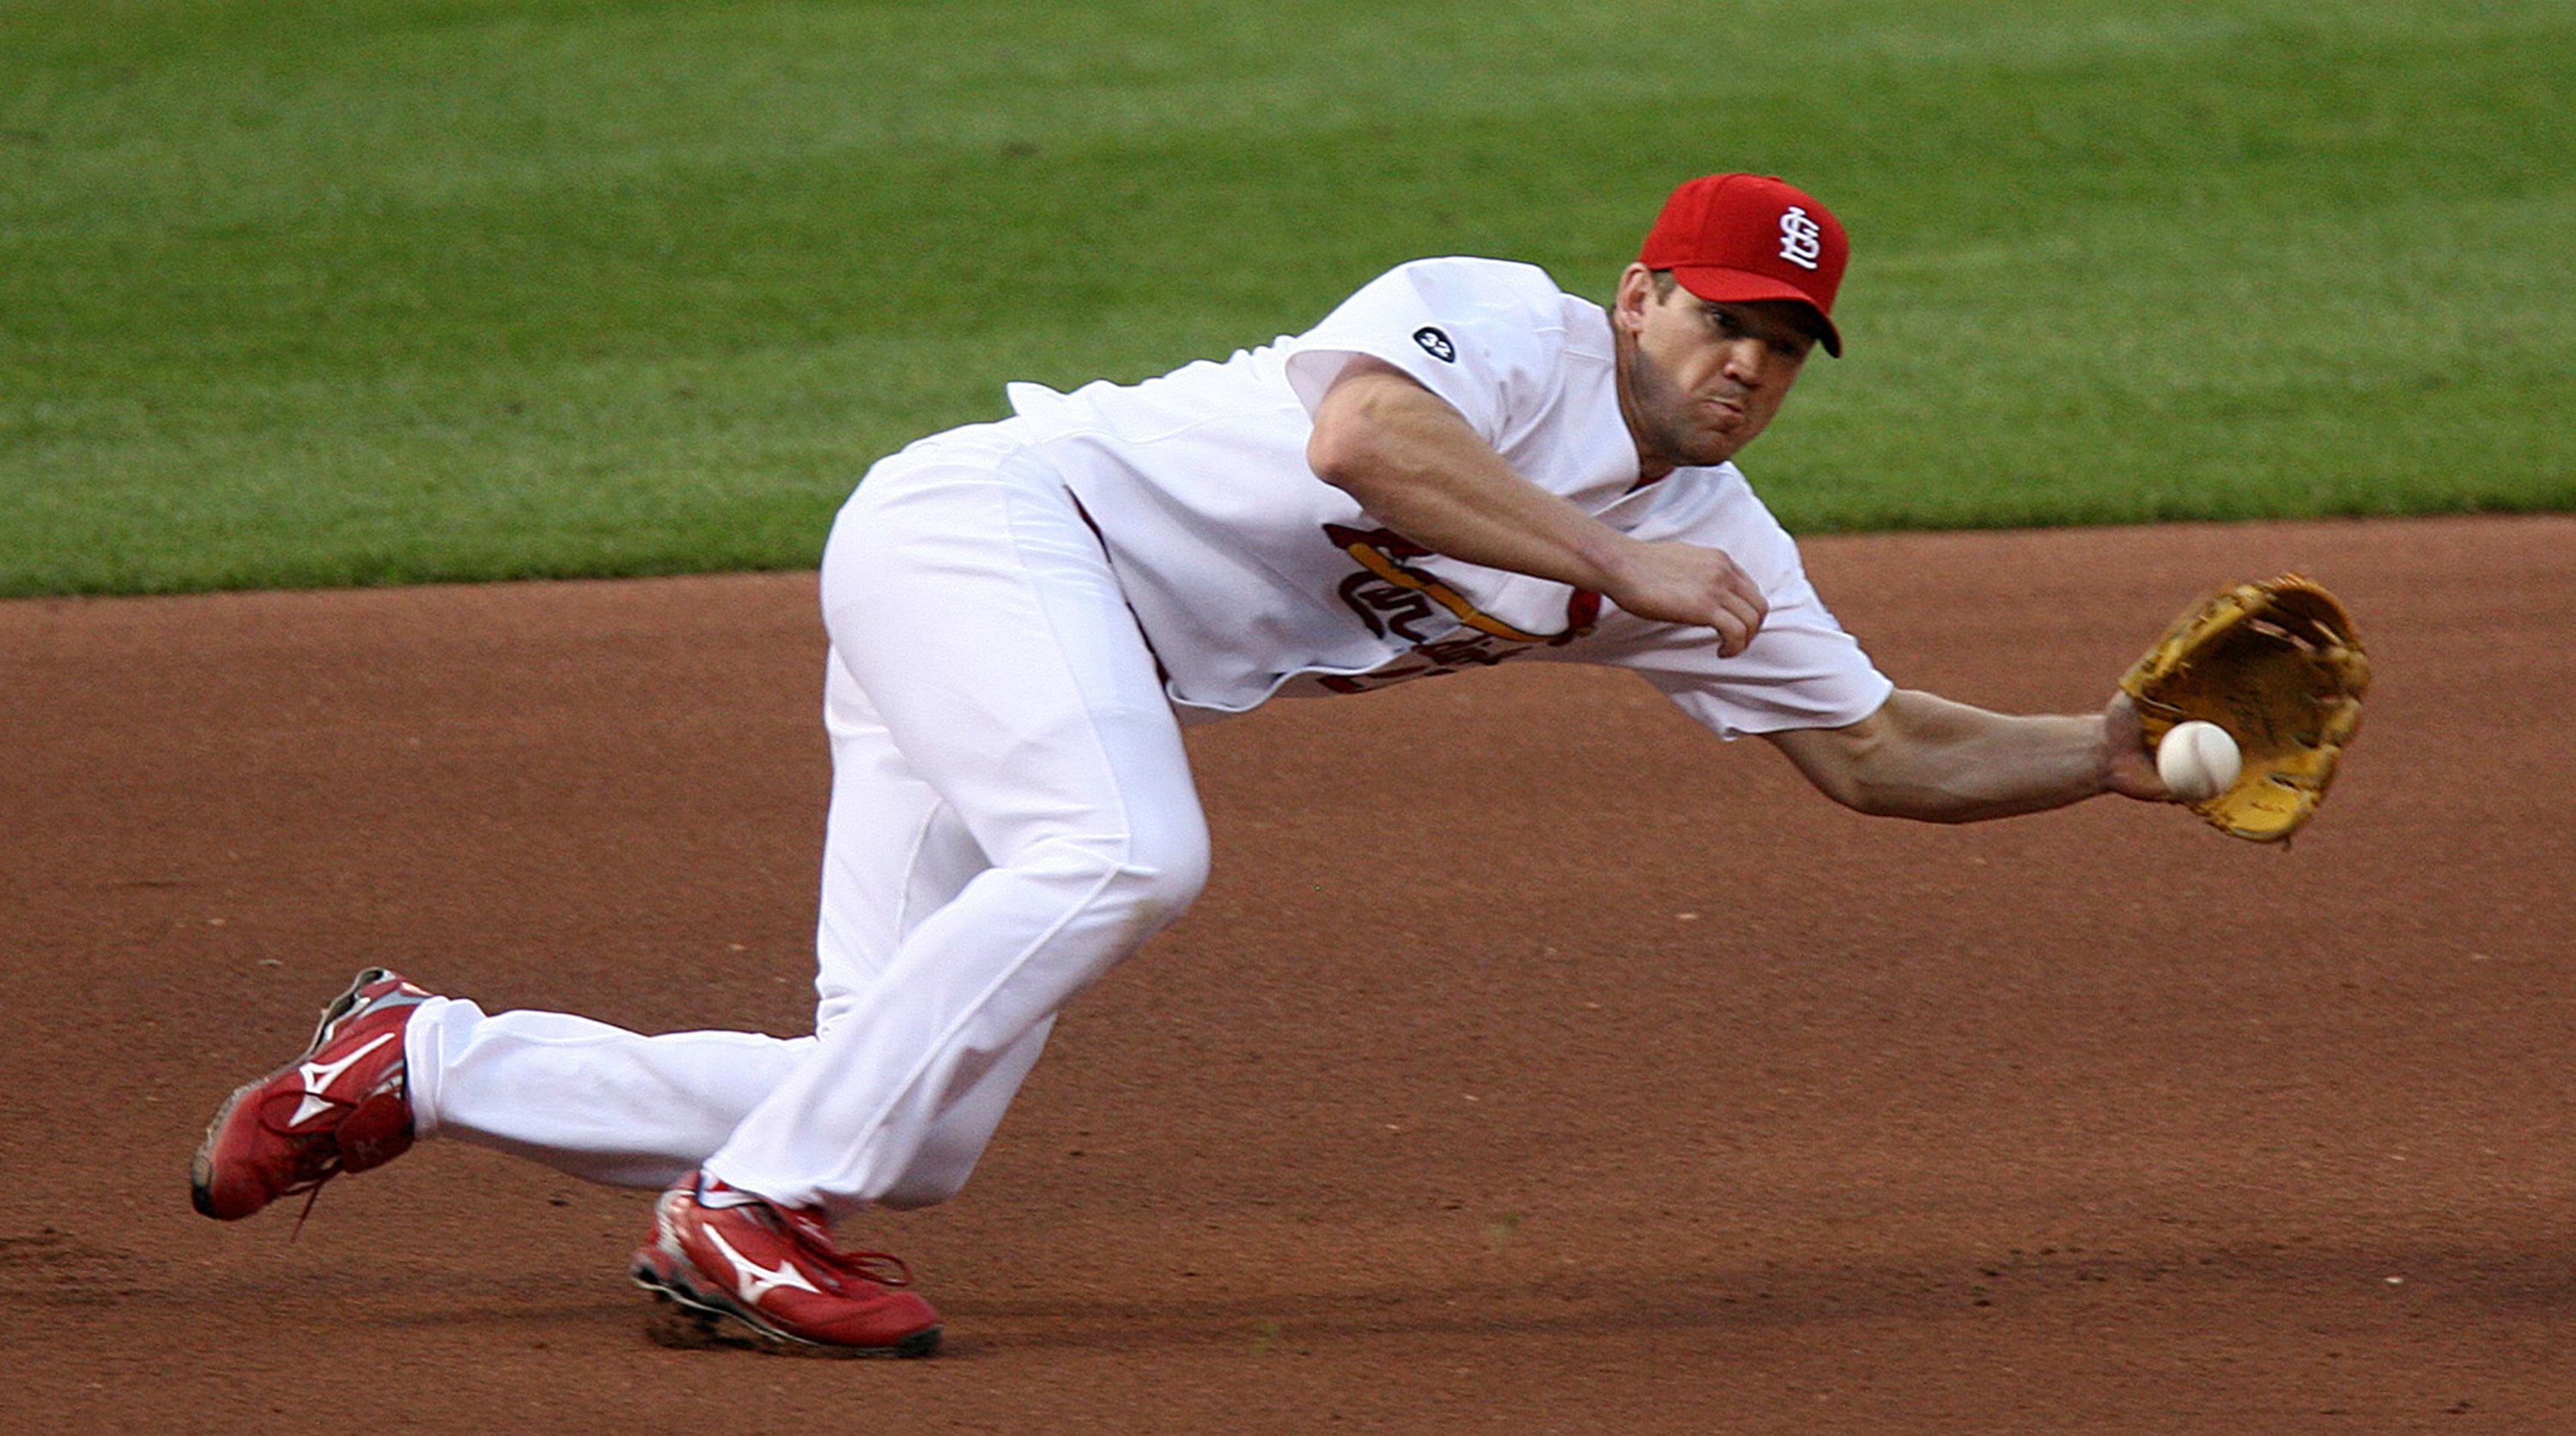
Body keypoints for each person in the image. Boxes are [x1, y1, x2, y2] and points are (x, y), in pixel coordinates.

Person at [190, 173, 2171, 1358]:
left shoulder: (1727, 550)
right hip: (986, 537)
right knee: (1130, 851)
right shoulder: (1508, 325)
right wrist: (1608, 558)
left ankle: (423, 1058)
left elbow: (1884, 748)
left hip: (1043, 655)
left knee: (913, 1116)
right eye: (1726, 318)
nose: (1749, 364)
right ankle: (737, 1212)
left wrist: (2105, 757)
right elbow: (1365, 447)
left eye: (1791, 342)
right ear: (1641, 293)